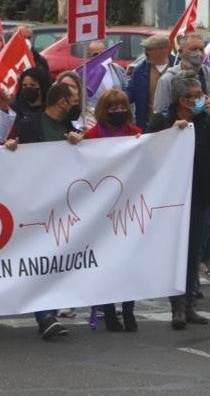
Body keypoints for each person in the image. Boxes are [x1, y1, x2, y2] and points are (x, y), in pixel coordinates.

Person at [147, 75, 210, 329]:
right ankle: (176, 304)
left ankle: (188, 303)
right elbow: (146, 150)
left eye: (200, 95)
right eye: (192, 97)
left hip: (200, 193)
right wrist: (169, 134)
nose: (198, 100)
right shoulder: (163, 119)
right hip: (171, 197)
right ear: (180, 100)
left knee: (193, 251)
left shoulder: (207, 121)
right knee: (175, 251)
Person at [7, 82, 83, 339]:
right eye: (73, 101)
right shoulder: (29, 124)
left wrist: (77, 143)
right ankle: (45, 315)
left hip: (62, 203)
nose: (76, 106)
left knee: (53, 259)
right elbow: (14, 150)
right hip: (35, 201)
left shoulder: (68, 128)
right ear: (61, 102)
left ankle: (48, 312)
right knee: (39, 257)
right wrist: (11, 147)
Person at [82, 89, 142, 332]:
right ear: (103, 111)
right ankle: (108, 311)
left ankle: (129, 310)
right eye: (112, 108)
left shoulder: (136, 134)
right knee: (105, 261)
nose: (118, 112)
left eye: (121, 108)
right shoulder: (93, 135)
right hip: (102, 208)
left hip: (128, 207)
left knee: (129, 260)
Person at [153, 33, 210, 117]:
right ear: (181, 52)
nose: (198, 53)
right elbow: (160, 115)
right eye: (193, 49)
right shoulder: (168, 80)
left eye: (201, 49)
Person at [127, 33, 175, 129]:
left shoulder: (178, 67)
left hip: (173, 125)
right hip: (147, 126)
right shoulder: (140, 70)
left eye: (149, 49)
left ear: (163, 50)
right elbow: (130, 94)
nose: (145, 53)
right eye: (145, 49)